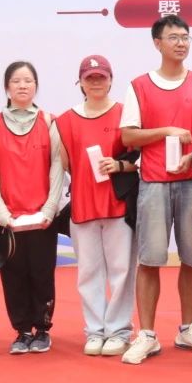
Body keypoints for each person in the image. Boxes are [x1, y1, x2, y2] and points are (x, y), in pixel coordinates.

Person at [119, 14, 192, 364]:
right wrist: (166, 131)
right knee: (150, 260)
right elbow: (128, 136)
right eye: (174, 37)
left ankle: (188, 327)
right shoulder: (139, 86)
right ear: (157, 43)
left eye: (186, 37)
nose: (181, 43)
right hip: (154, 183)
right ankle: (147, 334)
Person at [56, 56, 138, 358]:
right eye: (89, 78)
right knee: (88, 272)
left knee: (121, 270)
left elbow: (140, 159)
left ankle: (118, 331)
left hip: (118, 204)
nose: (96, 83)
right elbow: (63, 163)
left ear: (111, 79)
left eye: (101, 77)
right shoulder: (65, 120)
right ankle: (94, 330)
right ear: (80, 82)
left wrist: (119, 165)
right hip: (83, 205)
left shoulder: (125, 114)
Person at [0, 61, 64, 354]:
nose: (23, 85)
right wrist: (1, 214)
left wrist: (50, 209)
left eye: (28, 80)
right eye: (16, 81)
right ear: (7, 87)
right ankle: (22, 331)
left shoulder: (49, 122)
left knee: (42, 273)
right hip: (7, 219)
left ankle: (42, 329)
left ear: (36, 86)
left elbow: (57, 166)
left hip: (42, 217)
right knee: (13, 276)